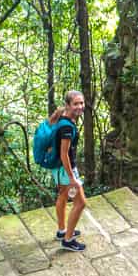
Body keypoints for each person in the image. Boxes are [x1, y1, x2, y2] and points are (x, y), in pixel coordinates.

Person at [49, 90, 87, 251]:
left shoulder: (63, 117)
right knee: (80, 203)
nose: (80, 106)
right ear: (68, 105)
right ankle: (68, 239)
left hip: (59, 168)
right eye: (76, 103)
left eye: (81, 103)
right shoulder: (67, 127)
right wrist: (72, 177)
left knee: (63, 196)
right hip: (66, 169)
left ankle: (62, 230)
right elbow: (64, 153)